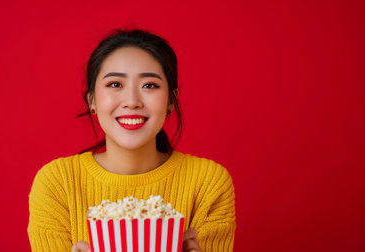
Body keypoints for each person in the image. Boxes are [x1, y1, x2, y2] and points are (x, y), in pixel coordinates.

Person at [27, 29, 236, 252]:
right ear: (92, 100)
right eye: (115, 84)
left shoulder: (208, 183)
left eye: (149, 85)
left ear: (170, 101)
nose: (132, 101)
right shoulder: (58, 184)